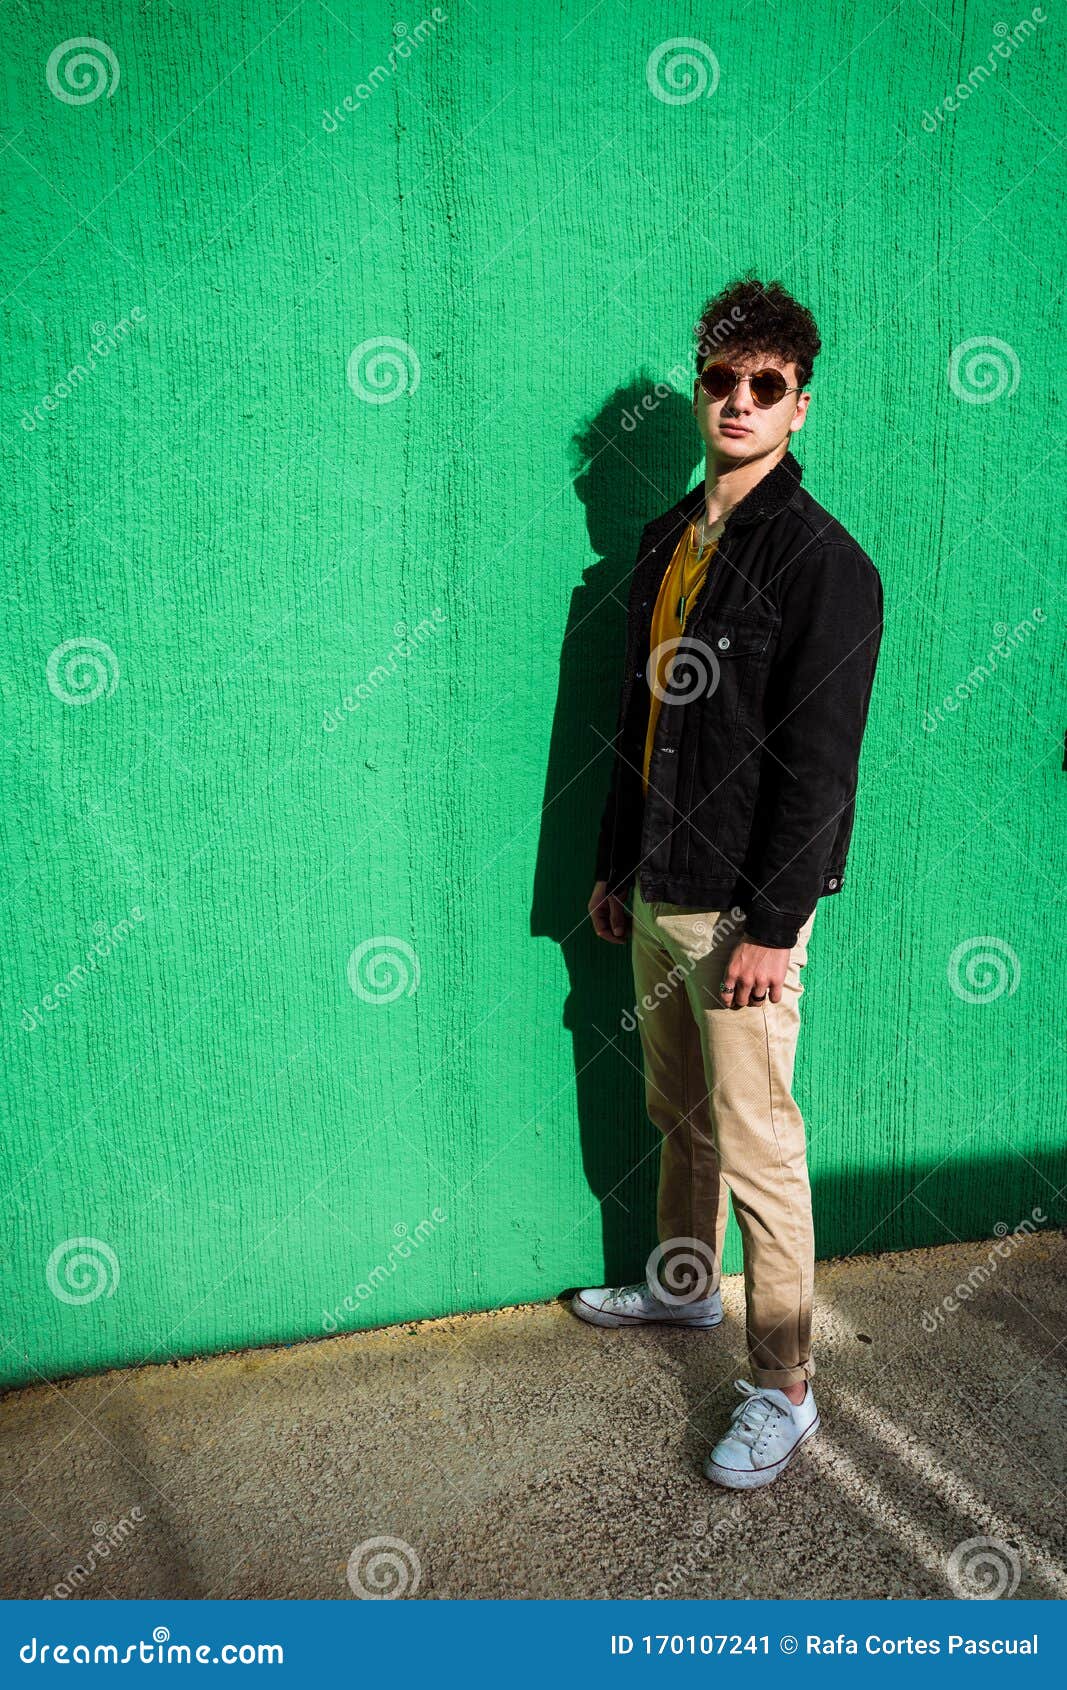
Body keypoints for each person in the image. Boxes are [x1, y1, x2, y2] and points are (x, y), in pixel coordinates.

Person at [573, 276, 884, 1490]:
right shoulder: (665, 538)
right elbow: (637, 721)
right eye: (720, 381)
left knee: (758, 1144)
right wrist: (614, 865)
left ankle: (786, 1387)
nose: (739, 401)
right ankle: (680, 1287)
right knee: (678, 1115)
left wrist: (774, 922)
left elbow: (817, 771)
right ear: (700, 390)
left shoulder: (821, 565)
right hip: (657, 887)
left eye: (766, 386)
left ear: (799, 405)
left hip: (740, 911)